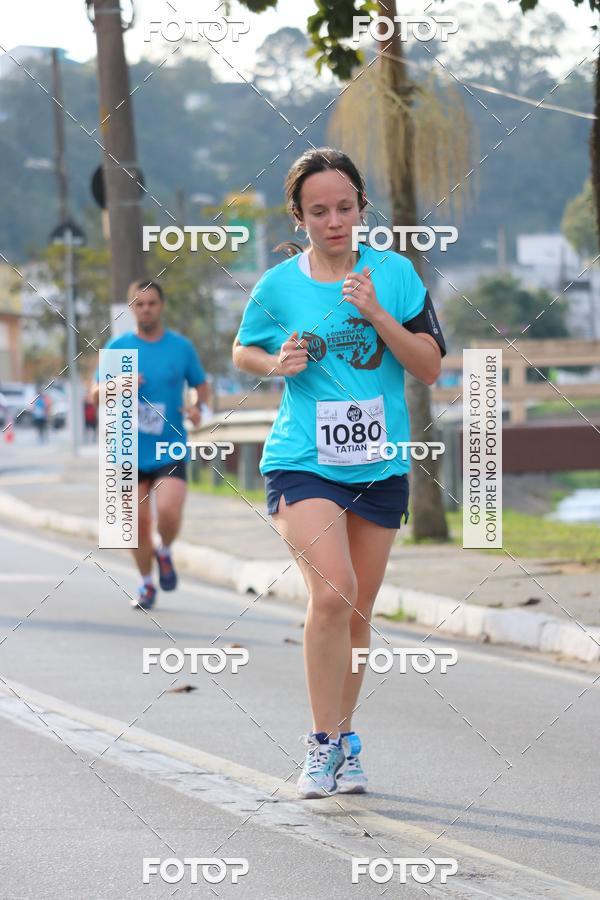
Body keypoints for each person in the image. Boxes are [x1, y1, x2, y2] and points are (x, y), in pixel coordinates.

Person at [232, 148, 446, 800]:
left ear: (362, 208)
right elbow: (242, 351)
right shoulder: (277, 287)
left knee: (357, 612)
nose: (334, 221)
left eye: (345, 208)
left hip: (378, 462)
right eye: (318, 211)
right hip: (303, 461)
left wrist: (379, 314)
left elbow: (431, 367)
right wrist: (278, 364)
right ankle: (321, 744)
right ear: (298, 217)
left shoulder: (395, 274)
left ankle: (346, 738)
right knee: (334, 593)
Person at [93, 279, 209, 610]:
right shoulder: (118, 348)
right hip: (126, 446)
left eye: (152, 303)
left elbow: (202, 386)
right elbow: (96, 394)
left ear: (161, 306)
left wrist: (198, 407)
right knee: (136, 525)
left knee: (170, 511)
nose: (146, 309)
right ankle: (146, 583)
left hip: (169, 444)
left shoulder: (180, 347)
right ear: (131, 309)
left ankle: (166, 550)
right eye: (139, 304)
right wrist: (119, 384)